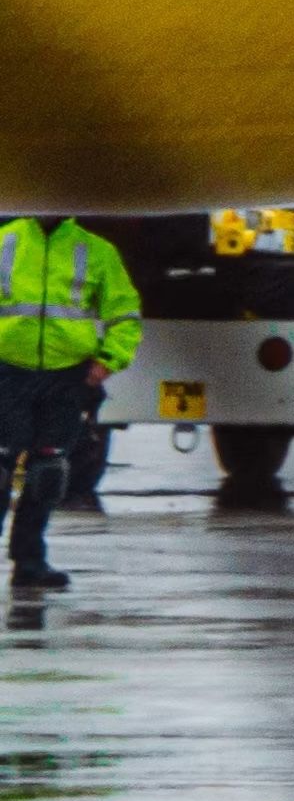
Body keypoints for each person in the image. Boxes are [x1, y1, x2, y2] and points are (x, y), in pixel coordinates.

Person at [0, 213, 138, 594]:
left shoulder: (94, 250)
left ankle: (29, 562)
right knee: (1, 466)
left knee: (48, 472)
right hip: (8, 372)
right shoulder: (5, 242)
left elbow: (125, 315)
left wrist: (108, 360)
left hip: (66, 378)